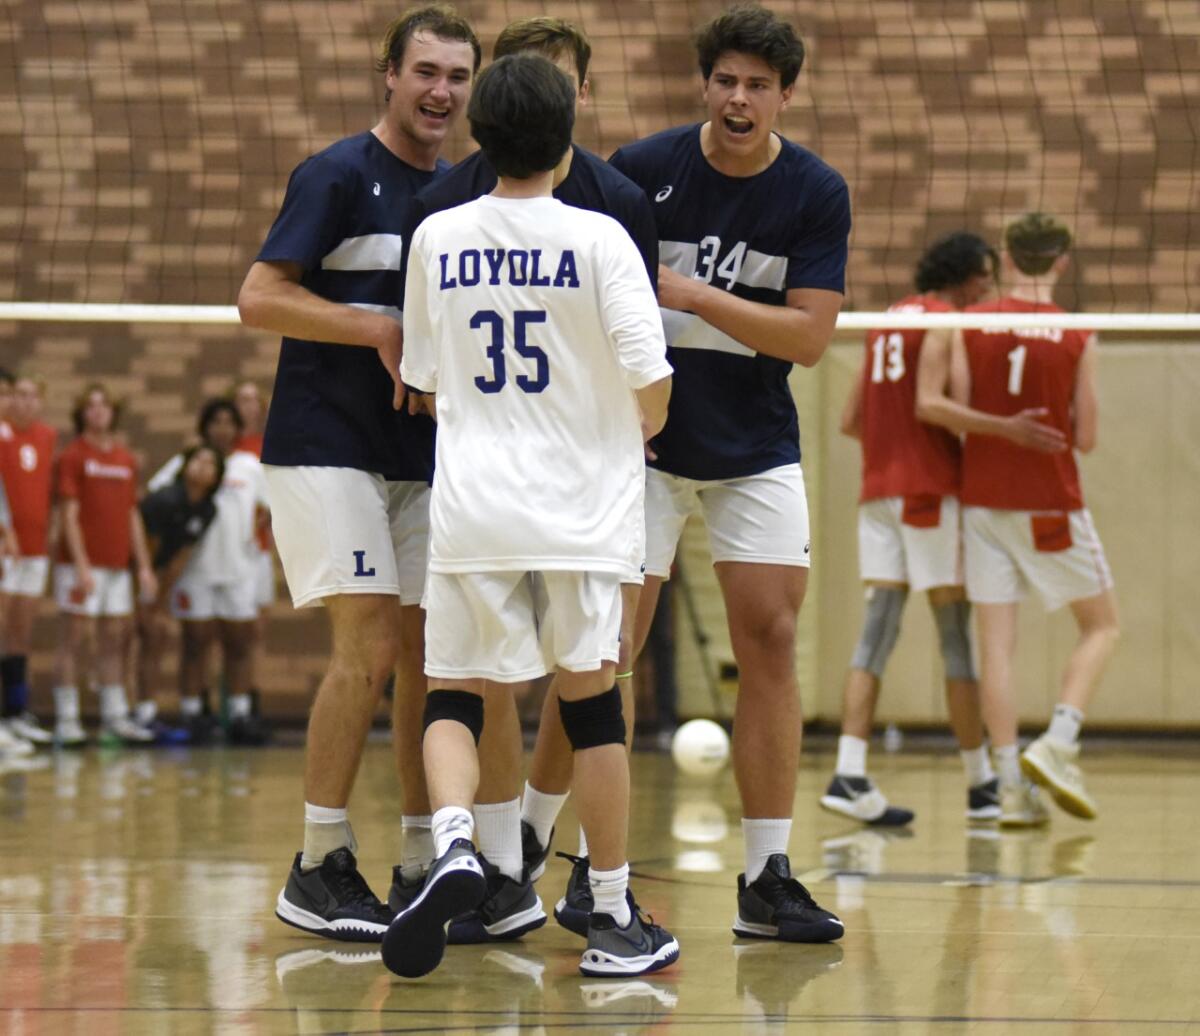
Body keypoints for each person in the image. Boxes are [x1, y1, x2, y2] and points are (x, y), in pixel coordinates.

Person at [383, 52, 677, 980]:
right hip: (580, 511)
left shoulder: (436, 234)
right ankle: (616, 910)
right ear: (567, 137)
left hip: (472, 507)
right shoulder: (601, 240)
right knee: (592, 708)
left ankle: (461, 843)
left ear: (479, 131)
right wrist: (625, 428)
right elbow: (654, 385)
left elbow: (422, 380)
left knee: (454, 694)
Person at [237, 5, 481, 940]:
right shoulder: (337, 173)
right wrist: (378, 327)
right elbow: (260, 297)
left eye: (458, 78)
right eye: (425, 71)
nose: (440, 92)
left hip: (419, 456)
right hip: (325, 442)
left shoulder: (466, 194)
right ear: (389, 74)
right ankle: (319, 860)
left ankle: (425, 857)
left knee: (430, 652)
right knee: (371, 647)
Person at [610, 3, 847, 942]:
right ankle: (574, 863)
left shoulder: (814, 191)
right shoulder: (640, 172)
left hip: (755, 445)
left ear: (785, 95)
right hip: (645, 447)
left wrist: (700, 294)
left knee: (773, 639)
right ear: (704, 84)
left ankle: (767, 876)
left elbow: (811, 336)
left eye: (759, 85)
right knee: (605, 652)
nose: (740, 98)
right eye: (726, 81)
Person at [916, 212, 1118, 827]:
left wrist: (998, 427)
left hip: (982, 503)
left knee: (996, 647)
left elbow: (946, 406)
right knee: (1103, 626)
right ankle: (1058, 742)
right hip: (1048, 503)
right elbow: (1085, 438)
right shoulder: (1078, 333)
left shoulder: (965, 324)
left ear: (1004, 256)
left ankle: (1009, 790)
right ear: (1062, 261)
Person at [819, 233, 1003, 827]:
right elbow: (931, 405)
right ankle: (982, 786)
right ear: (967, 276)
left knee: (878, 631)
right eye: (987, 279)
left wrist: (893, 454)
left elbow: (851, 419)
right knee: (954, 632)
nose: (989, 292)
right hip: (927, 492)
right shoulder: (946, 321)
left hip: (878, 493)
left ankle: (849, 771)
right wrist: (1006, 431)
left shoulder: (885, 321)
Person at [148, 400, 269, 744]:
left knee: (240, 644)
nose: (222, 428)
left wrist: (260, 529)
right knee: (194, 643)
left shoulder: (249, 466)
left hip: (238, 568)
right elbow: (159, 497)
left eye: (229, 422)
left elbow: (272, 507)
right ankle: (192, 712)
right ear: (205, 426)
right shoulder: (186, 462)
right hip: (195, 569)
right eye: (215, 421)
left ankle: (242, 713)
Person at [52, 383, 157, 746]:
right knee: (74, 639)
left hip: (117, 567)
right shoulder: (73, 455)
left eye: (104, 405)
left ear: (113, 413)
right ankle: (67, 719)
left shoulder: (125, 458)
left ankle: (114, 715)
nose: (98, 411)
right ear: (82, 413)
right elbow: (69, 515)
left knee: (114, 639)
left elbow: (131, 514)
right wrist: (81, 566)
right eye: (91, 405)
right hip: (80, 566)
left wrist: (142, 566)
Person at [136, 443, 224, 737]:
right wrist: (146, 598)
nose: (202, 466)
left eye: (210, 462)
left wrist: (160, 603)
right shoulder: (165, 500)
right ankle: (134, 713)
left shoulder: (208, 509)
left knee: (157, 634)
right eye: (196, 459)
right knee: (139, 634)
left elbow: (179, 559)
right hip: (133, 566)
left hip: (158, 571)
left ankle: (146, 712)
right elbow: (148, 549)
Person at [0, 374, 59, 748]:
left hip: (35, 549)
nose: (22, 402)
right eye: (15, 395)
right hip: (7, 547)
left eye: (30, 396)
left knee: (21, 636)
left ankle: (15, 713)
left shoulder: (47, 437)